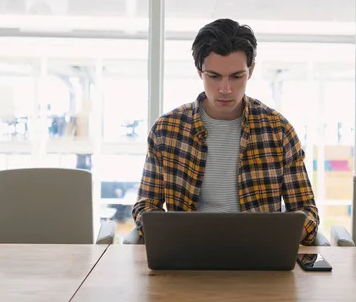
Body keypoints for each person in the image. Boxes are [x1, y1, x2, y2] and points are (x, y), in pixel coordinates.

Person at [132, 18, 319, 245]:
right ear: (199, 71)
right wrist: (170, 236)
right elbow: (146, 205)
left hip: (260, 258)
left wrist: (280, 239)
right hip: (187, 256)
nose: (225, 89)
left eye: (236, 76)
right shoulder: (166, 130)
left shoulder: (278, 131)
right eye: (214, 76)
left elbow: (306, 209)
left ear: (251, 71)